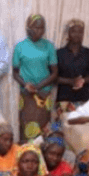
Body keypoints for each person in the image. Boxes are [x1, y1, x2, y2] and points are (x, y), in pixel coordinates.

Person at [12, 14, 58, 142]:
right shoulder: (20, 47)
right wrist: (25, 84)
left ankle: (43, 156)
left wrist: (38, 86)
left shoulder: (49, 46)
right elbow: (15, 73)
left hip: (44, 94)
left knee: (44, 128)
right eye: (36, 27)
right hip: (27, 94)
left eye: (42, 28)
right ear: (28, 28)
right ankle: (25, 154)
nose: (39, 31)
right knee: (26, 126)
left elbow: (54, 73)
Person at [55, 19, 89, 120]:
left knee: (84, 131)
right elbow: (53, 77)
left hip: (84, 99)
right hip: (64, 99)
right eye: (73, 31)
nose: (77, 34)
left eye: (80, 32)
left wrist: (82, 81)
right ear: (68, 33)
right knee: (65, 130)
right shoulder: (59, 53)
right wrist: (71, 81)